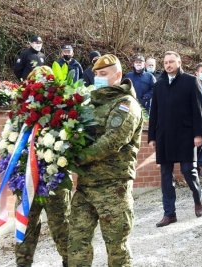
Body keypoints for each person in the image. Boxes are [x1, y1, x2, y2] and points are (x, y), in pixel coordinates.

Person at [68, 54, 143, 266]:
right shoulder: (89, 103)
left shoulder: (126, 105)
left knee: (116, 247)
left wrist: (78, 158)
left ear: (118, 75)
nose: (98, 78)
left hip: (113, 187)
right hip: (85, 187)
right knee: (76, 243)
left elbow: (112, 142)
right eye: (96, 74)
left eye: (104, 74)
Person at [148, 51, 202, 227]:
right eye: (165, 62)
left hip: (185, 135)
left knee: (189, 171)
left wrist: (198, 134)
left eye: (172, 61)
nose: (168, 65)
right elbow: (154, 113)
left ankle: (197, 199)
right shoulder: (159, 85)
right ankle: (169, 213)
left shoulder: (190, 81)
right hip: (164, 136)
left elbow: (198, 110)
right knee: (166, 175)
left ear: (179, 62)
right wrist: (152, 137)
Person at [15, 189, 70, 267]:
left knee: (62, 230)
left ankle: (69, 262)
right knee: (24, 230)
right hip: (27, 185)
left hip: (55, 185)